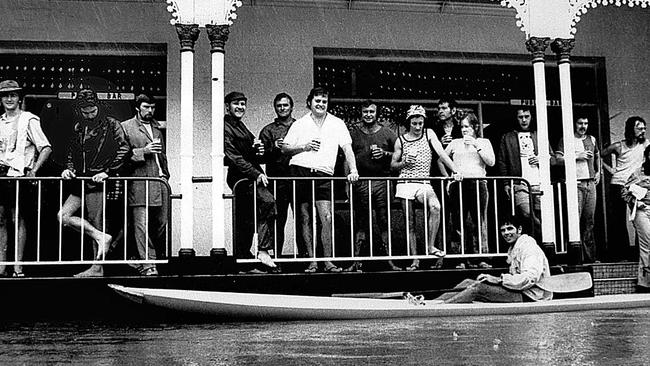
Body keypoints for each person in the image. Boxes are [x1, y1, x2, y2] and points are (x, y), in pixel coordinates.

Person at [282, 87, 359, 273]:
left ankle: (328, 261)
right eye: (317, 100)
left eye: (324, 101)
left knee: (327, 217)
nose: (321, 104)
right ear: (309, 102)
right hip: (301, 171)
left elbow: (347, 149)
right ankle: (312, 261)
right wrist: (304, 147)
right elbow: (285, 148)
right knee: (305, 217)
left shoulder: (337, 123)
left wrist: (354, 169)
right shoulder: (300, 123)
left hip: (324, 174)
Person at [57, 89, 129, 277]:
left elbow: (124, 148)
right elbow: (72, 152)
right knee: (63, 216)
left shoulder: (112, 124)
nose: (89, 114)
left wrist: (108, 171)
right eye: (85, 111)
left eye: (92, 110)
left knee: (96, 220)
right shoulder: (78, 127)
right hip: (80, 178)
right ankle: (100, 239)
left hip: (98, 179)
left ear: (98, 106)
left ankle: (97, 267)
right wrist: (69, 168)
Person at [390, 105, 461, 271]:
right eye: (414, 123)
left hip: (423, 183)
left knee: (435, 207)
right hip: (405, 183)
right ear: (409, 122)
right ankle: (415, 259)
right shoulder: (400, 140)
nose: (417, 126)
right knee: (410, 223)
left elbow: (442, 154)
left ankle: (430, 246)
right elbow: (392, 165)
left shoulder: (429, 133)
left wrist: (455, 170)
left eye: (420, 123)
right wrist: (404, 163)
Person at [0, 80, 52, 277]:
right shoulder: (0, 121)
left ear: (19, 97)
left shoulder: (29, 119)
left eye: (13, 95)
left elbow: (45, 147)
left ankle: (18, 266)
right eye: (5, 95)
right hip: (2, 176)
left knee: (18, 218)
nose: (9, 99)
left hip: (20, 176)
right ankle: (2, 265)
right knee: (1, 219)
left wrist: (34, 169)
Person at [223, 91, 277, 272]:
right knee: (265, 204)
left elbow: (248, 150)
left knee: (248, 217)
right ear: (227, 106)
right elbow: (234, 157)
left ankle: (246, 260)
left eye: (243, 104)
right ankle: (260, 251)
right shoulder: (225, 126)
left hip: (248, 176)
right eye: (236, 104)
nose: (240, 107)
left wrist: (257, 148)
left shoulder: (240, 125)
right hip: (242, 177)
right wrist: (255, 174)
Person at [445, 215, 552, 303]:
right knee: (468, 282)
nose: (506, 233)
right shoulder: (514, 248)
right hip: (519, 290)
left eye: (510, 228)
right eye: (503, 230)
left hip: (532, 296)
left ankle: (442, 309)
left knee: (477, 288)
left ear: (519, 229)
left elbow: (530, 278)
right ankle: (434, 304)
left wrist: (499, 280)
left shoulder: (529, 247)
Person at [345, 100, 400, 272]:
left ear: (377, 113)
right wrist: (347, 182)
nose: (368, 114)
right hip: (360, 182)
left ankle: (390, 261)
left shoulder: (388, 133)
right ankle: (356, 261)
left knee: (384, 221)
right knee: (360, 222)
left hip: (382, 182)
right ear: (361, 113)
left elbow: (400, 156)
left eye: (372, 111)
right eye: (365, 111)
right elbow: (347, 158)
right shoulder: (353, 133)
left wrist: (385, 154)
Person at [121, 94, 169, 276]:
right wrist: (144, 151)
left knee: (161, 223)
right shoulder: (126, 127)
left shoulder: (157, 127)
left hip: (159, 180)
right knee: (141, 224)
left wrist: (166, 174)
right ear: (137, 108)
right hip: (140, 181)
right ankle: (148, 263)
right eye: (146, 107)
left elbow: (162, 155)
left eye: (153, 107)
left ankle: (141, 257)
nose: (150, 111)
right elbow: (121, 157)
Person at [438, 112, 494, 268]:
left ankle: (482, 257)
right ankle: (460, 258)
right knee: (458, 220)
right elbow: (441, 160)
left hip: (478, 182)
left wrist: (476, 144)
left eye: (467, 127)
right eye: (462, 127)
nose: (464, 130)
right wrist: (450, 176)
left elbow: (491, 162)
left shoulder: (484, 141)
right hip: (458, 184)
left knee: (479, 220)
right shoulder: (455, 143)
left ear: (475, 127)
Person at [602, 116, 648, 261]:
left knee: (639, 219)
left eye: (644, 128)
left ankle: (638, 255)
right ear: (631, 129)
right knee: (618, 220)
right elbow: (600, 154)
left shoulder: (646, 144)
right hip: (618, 184)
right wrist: (609, 170)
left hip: (636, 186)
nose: (643, 131)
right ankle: (620, 255)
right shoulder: (618, 146)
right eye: (639, 128)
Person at [555, 117, 600, 264]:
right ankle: (574, 258)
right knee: (574, 220)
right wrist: (577, 156)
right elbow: (557, 159)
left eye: (586, 123)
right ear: (574, 123)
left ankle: (590, 258)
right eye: (580, 123)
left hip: (590, 183)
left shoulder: (592, 139)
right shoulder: (566, 139)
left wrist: (598, 172)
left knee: (589, 221)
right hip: (575, 183)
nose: (583, 126)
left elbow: (597, 155)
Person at [259, 93, 297, 255]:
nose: (282, 108)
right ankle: (278, 258)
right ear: (275, 108)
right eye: (279, 106)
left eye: (285, 105)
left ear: (291, 107)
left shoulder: (301, 126)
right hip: (277, 182)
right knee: (277, 221)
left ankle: (307, 258)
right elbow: (260, 157)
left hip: (298, 180)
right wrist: (273, 148)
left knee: (303, 220)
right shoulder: (268, 130)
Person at [496, 107, 543, 237]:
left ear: (531, 117)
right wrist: (506, 183)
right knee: (526, 213)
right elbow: (502, 161)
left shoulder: (539, 135)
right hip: (519, 183)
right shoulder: (508, 137)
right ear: (516, 118)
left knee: (540, 215)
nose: (523, 120)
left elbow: (552, 157)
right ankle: (544, 236)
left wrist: (541, 159)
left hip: (539, 182)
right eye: (520, 117)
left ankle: (538, 244)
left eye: (526, 116)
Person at [621, 145, 650, 291]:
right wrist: (636, 203)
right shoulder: (638, 173)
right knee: (647, 243)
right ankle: (645, 281)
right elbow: (625, 192)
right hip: (643, 210)